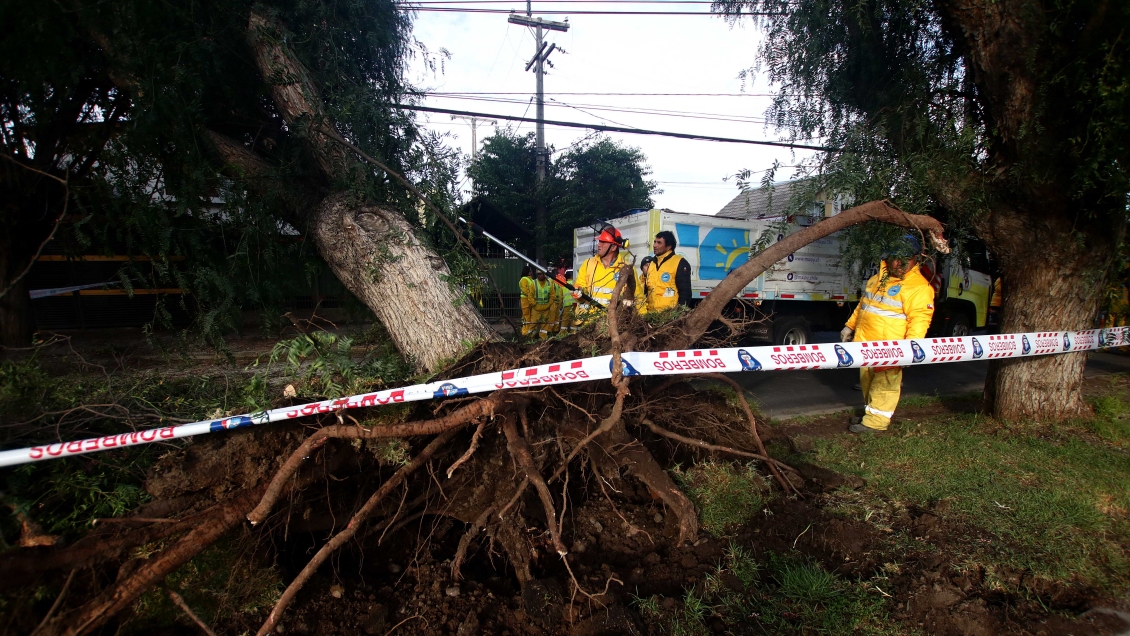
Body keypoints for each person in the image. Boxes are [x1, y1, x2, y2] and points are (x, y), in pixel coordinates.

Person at [840, 234, 935, 433]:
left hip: (891, 349)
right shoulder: (878, 279)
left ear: (915, 259)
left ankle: (876, 423)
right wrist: (850, 326)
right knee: (868, 383)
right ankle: (871, 415)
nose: (897, 263)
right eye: (893, 257)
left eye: (903, 259)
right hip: (866, 344)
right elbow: (864, 306)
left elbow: (919, 320)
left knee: (885, 386)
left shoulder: (919, 288)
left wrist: (911, 348)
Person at [574, 224, 645, 319]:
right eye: (599, 241)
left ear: (613, 247)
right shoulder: (587, 264)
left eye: (603, 242)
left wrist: (644, 320)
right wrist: (578, 292)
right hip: (588, 322)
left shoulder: (626, 269)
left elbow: (638, 297)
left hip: (612, 323)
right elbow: (579, 288)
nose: (599, 244)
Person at [644, 230, 692, 312]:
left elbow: (685, 293)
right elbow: (646, 290)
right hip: (651, 315)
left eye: (659, 243)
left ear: (669, 246)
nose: (655, 245)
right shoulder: (652, 263)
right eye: (655, 242)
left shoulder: (680, 262)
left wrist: (678, 314)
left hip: (669, 316)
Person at [518, 265, 537, 337]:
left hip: (530, 299)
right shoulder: (524, 279)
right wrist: (531, 296)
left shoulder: (531, 280)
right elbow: (525, 290)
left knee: (531, 316)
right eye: (530, 271)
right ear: (527, 271)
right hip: (525, 300)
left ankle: (530, 331)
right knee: (526, 316)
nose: (531, 272)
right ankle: (525, 331)